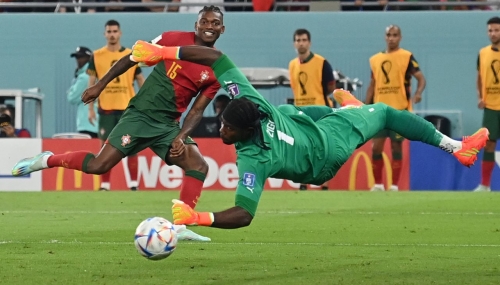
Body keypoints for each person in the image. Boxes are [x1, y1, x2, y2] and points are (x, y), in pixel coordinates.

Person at [122, 41, 488, 229]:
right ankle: (352, 112)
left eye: (227, 127)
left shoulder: (254, 157)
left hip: (325, 149)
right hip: (313, 142)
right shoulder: (249, 103)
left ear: (245, 129)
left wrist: (197, 217)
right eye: (222, 123)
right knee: (296, 112)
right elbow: (215, 56)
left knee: (388, 113)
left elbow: (244, 213)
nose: (221, 128)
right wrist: (163, 52)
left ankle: (459, 149)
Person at [11, 5, 225, 241]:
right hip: (140, 115)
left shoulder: (216, 69)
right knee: (98, 166)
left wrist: (181, 136)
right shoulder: (171, 38)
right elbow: (132, 59)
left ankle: (181, 225)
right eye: (204, 21)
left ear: (222, 29)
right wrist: (99, 86)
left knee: (199, 165)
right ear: (196, 25)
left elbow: (197, 110)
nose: (209, 27)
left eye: (215, 23)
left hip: (168, 125)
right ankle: (46, 160)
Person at [365, 25, 426, 192]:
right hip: (380, 111)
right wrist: (364, 105)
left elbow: (421, 78)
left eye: (395, 35)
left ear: (400, 37)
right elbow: (373, 84)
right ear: (385, 37)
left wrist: (419, 93)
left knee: (396, 147)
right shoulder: (375, 59)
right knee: (376, 146)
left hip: (399, 110)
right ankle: (377, 184)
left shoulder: (407, 57)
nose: (391, 38)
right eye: (389, 35)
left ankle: (394, 185)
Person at [87, 19, 145, 191]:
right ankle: (105, 185)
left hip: (128, 109)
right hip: (106, 109)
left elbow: (140, 79)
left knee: (131, 146)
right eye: (109, 31)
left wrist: (147, 102)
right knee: (106, 147)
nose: (112, 34)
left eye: (115, 31)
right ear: (105, 34)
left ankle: (134, 184)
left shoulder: (131, 54)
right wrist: (90, 108)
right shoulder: (96, 55)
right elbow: (92, 83)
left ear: (120, 33)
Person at [288, 28, 335, 191]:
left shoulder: (322, 62)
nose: (301, 43)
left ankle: (324, 183)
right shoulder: (292, 65)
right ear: (294, 43)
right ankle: (303, 182)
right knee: (302, 147)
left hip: (320, 109)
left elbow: (331, 86)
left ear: (310, 42)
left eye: (304, 40)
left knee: (322, 146)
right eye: (298, 40)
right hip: (301, 111)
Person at [475, 16, 500, 192]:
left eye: (497, 30)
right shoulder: (483, 53)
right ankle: (485, 185)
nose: (493, 33)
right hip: (491, 106)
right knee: (489, 144)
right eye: (490, 30)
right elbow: (480, 77)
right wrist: (480, 97)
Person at [67, 46, 99, 138]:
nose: (78, 60)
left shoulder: (84, 77)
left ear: (89, 59)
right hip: (97, 123)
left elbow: (72, 98)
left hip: (87, 124)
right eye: (77, 57)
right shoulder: (95, 73)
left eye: (81, 57)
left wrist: (74, 80)